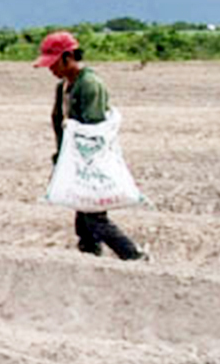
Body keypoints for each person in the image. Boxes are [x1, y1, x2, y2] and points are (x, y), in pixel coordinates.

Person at [34, 30, 144, 260]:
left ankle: (134, 257)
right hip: (73, 161)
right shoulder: (63, 87)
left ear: (68, 57)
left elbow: (93, 133)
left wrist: (82, 165)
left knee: (94, 218)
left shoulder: (90, 85)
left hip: (90, 162)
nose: (51, 69)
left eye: (54, 63)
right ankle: (90, 258)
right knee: (84, 220)